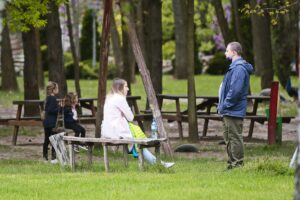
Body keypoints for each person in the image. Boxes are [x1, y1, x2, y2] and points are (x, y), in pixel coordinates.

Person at [101, 78, 175, 168]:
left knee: (136, 137)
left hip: (107, 131)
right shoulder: (120, 99)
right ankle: (159, 164)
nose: (127, 89)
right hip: (117, 131)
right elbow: (131, 117)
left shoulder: (109, 98)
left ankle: (159, 163)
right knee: (138, 141)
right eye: (126, 86)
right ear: (120, 88)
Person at [218, 42, 253, 169]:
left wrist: (225, 105)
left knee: (235, 137)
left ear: (234, 52)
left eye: (227, 51)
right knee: (228, 137)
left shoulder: (239, 68)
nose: (225, 53)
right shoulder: (234, 67)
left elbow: (235, 91)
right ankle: (231, 163)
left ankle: (237, 164)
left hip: (233, 109)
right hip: (229, 110)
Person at [43, 81, 61, 164]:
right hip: (51, 123)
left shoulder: (48, 98)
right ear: (53, 90)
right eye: (57, 88)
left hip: (47, 122)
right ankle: (53, 159)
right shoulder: (53, 98)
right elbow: (50, 110)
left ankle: (45, 158)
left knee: (47, 140)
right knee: (54, 140)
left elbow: (47, 109)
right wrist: (59, 108)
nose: (58, 89)